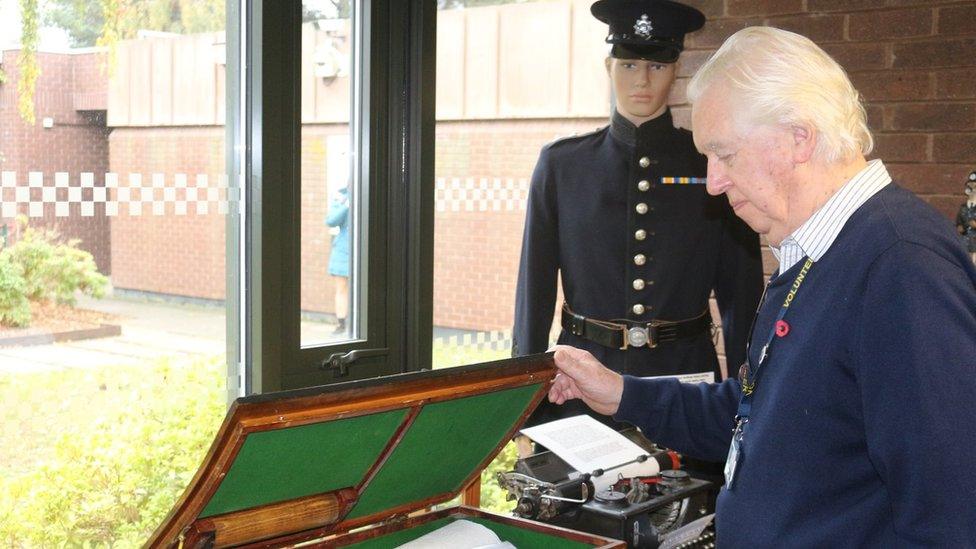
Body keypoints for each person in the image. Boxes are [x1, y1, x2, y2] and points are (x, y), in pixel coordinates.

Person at [547, 27, 976, 546]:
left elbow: (950, 514)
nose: (712, 182)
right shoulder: (813, 250)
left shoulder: (901, 265)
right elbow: (759, 414)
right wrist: (620, 393)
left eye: (724, 155)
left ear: (799, 136)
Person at [512, 0, 764, 429]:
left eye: (657, 66)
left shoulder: (710, 165)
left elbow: (741, 295)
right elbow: (533, 294)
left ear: (677, 69)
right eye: (628, 66)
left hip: (686, 381)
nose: (642, 80)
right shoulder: (562, 165)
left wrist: (749, 400)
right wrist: (523, 401)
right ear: (608, 66)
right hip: (581, 381)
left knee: (689, 494)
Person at [326, 185, 351, 335]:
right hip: (343, 250)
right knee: (341, 287)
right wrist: (346, 205)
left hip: (363, 247)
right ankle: (341, 323)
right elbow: (331, 220)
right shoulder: (341, 197)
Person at [956, 171, 976, 263]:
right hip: (966, 240)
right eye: (970, 187)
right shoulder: (963, 207)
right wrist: (960, 227)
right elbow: (959, 223)